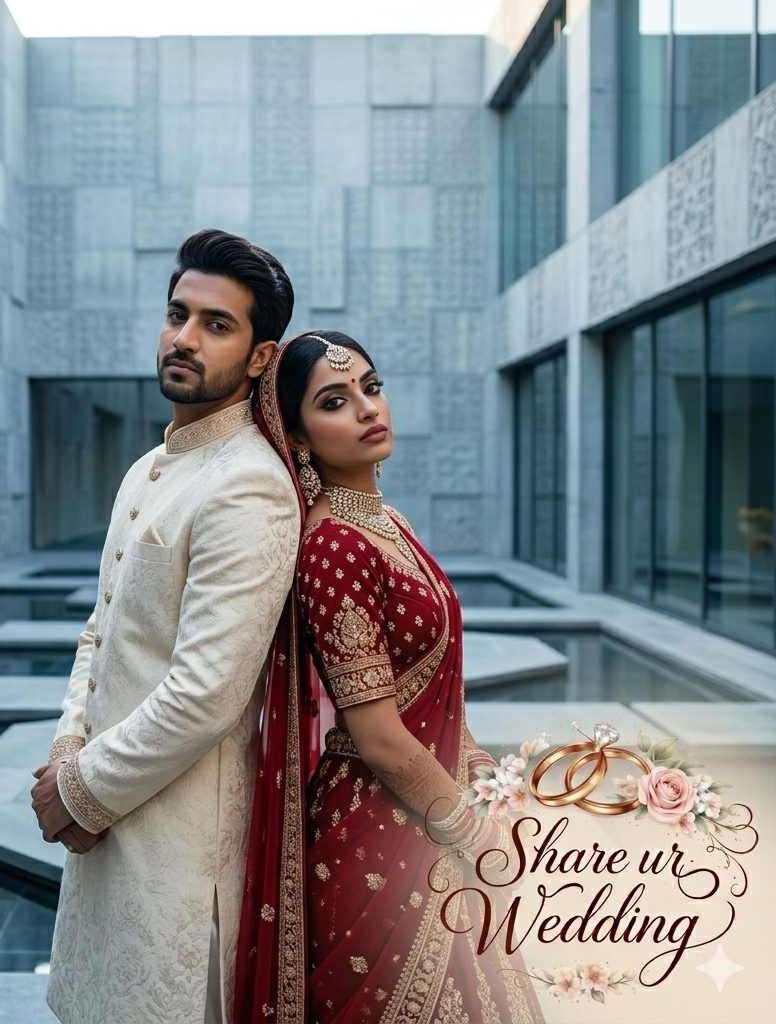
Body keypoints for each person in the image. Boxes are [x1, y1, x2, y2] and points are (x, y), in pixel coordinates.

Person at [31, 229, 300, 1024]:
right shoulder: (146, 471)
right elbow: (99, 632)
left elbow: (207, 694)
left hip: (178, 852)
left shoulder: (249, 485)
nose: (183, 338)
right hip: (107, 824)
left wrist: (81, 791)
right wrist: (65, 749)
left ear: (260, 357)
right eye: (177, 314)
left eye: (216, 324)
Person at [235, 331, 544, 1023]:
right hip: (380, 833)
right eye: (336, 401)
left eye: (372, 388)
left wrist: (478, 771)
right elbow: (376, 734)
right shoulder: (333, 544)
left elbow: (433, 687)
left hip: (429, 809)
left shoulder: (384, 521)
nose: (369, 409)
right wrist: (474, 831)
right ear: (301, 438)